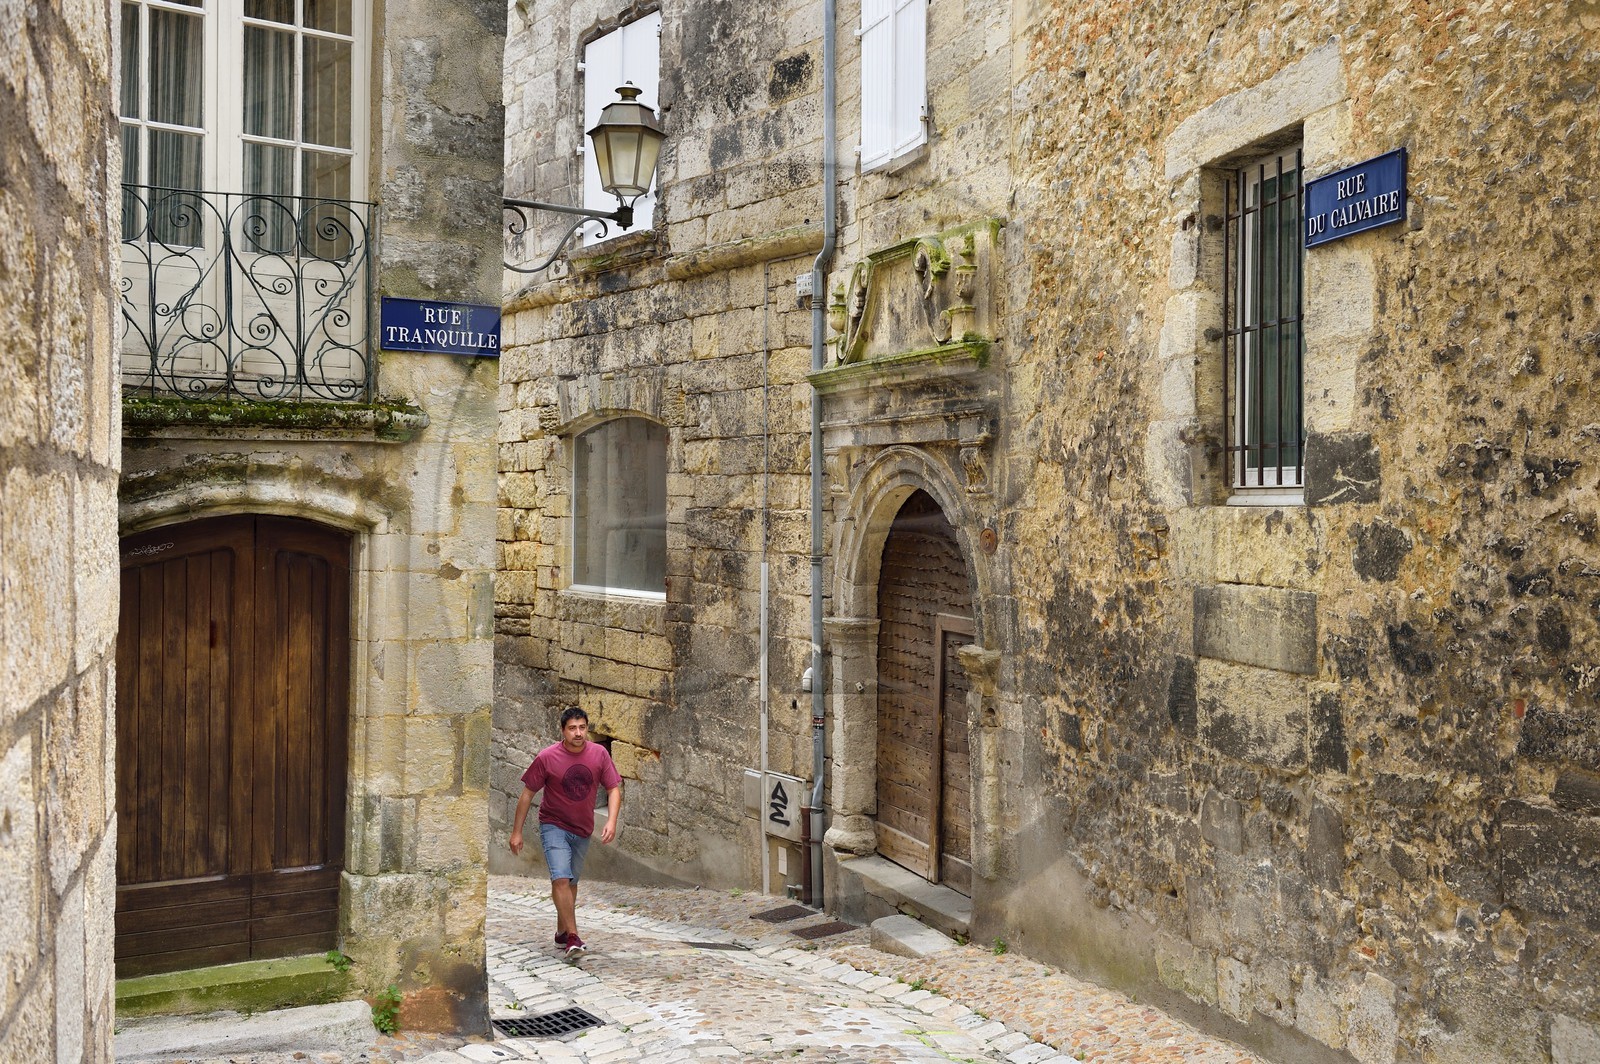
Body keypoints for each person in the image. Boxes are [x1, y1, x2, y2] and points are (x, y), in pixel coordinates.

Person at [508, 707, 623, 958]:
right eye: (572, 728)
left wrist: (612, 821)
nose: (578, 733)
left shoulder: (599, 754)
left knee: (570, 883)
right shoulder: (548, 757)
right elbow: (527, 794)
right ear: (563, 731)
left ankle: (561, 931)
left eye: (582, 727)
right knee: (560, 878)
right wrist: (517, 832)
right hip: (553, 824)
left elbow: (613, 788)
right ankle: (573, 936)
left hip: (582, 828)